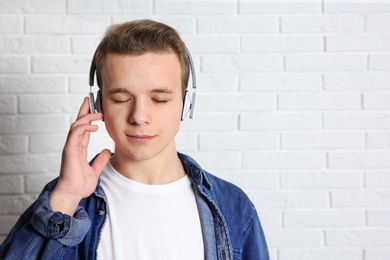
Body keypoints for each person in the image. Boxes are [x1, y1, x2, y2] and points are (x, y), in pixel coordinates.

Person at [0, 19, 269, 260]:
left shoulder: (233, 207)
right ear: (98, 104)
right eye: (121, 99)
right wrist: (66, 197)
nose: (139, 116)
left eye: (159, 99)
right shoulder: (65, 199)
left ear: (187, 103)